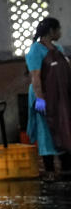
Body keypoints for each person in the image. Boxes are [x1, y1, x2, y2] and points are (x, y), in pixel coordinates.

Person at [26, 17, 71, 179]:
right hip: (44, 97)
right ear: (51, 31)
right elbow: (36, 78)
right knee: (46, 131)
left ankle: (66, 168)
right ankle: (50, 170)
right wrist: (40, 99)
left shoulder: (58, 49)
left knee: (64, 128)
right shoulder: (35, 51)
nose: (60, 33)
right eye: (58, 29)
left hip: (60, 98)